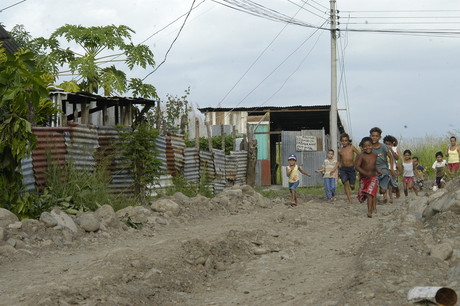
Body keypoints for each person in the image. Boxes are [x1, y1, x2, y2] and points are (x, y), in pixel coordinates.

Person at [370, 127, 396, 203]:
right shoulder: (369, 147)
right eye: (373, 136)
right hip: (373, 169)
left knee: (383, 190)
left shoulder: (383, 146)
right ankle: (374, 201)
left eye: (376, 136)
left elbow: (390, 157)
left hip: (384, 169)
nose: (374, 137)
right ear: (370, 136)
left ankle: (381, 192)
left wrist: (391, 168)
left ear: (380, 137)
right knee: (374, 185)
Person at [355, 137, 380, 218]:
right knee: (362, 196)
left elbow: (374, 165)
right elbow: (357, 167)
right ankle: (370, 207)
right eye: (365, 146)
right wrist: (365, 173)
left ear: (372, 145)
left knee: (370, 193)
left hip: (373, 177)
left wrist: (378, 170)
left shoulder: (375, 155)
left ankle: (370, 211)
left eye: (369, 145)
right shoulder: (361, 156)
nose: (367, 148)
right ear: (362, 147)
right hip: (364, 178)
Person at [338, 133, 360, 204]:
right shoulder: (340, 150)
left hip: (351, 168)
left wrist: (356, 162)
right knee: (345, 183)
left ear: (348, 141)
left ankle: (353, 186)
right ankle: (349, 199)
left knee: (352, 185)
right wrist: (339, 168)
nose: (344, 142)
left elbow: (359, 154)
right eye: (343, 141)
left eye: (345, 140)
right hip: (343, 169)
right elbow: (339, 160)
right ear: (341, 141)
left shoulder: (352, 147)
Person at [383, 135, 401, 202]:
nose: (387, 145)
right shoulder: (382, 149)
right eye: (386, 144)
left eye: (389, 144)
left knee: (393, 184)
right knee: (387, 184)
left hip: (393, 168)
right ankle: (389, 198)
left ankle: (397, 189)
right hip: (385, 169)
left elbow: (397, 158)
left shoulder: (394, 149)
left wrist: (391, 150)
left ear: (392, 143)